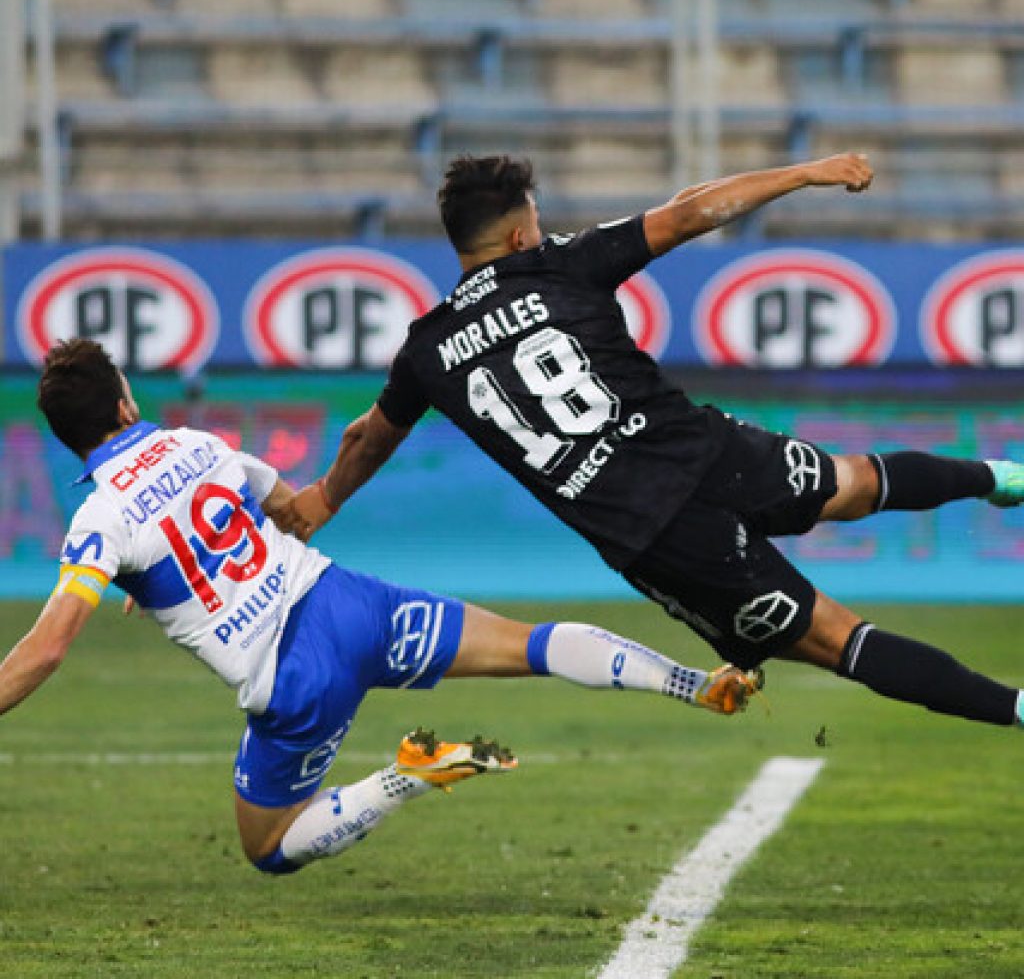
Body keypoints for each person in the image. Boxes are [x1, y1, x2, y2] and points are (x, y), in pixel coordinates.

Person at [287, 152, 1024, 732]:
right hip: (705, 448)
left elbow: (369, 437)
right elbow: (692, 212)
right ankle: (1002, 475)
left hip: (656, 533)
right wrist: (804, 173)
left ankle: (1015, 709)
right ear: (518, 234)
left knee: (837, 639)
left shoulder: (428, 348)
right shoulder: (561, 264)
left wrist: (324, 497)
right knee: (857, 482)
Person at [0, 339, 758, 877]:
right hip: (349, 603)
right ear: (127, 399)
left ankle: (408, 775)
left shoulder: (100, 520)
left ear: (69, 441)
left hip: (293, 679)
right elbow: (288, 511)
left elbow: (48, 647)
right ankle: (698, 683)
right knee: (527, 644)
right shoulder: (199, 444)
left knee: (268, 849)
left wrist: (165, 576)